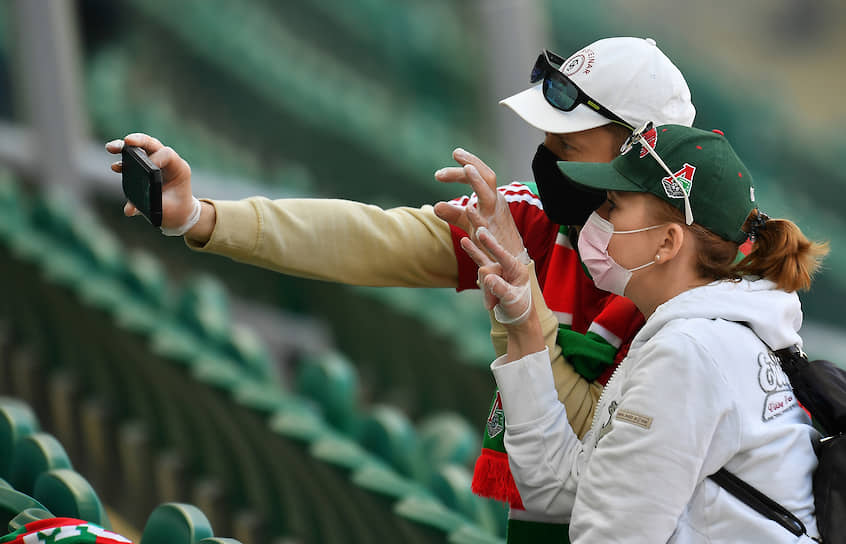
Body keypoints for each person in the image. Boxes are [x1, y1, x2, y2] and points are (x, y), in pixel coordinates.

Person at [105, 37, 695, 538]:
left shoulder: (697, 297)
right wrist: (202, 217)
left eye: (566, 146)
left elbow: (595, 444)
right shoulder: (537, 221)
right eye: (545, 139)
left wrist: (521, 301)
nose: (545, 159)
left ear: (640, 156)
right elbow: (373, 239)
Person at [461, 123, 826, 542]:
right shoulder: (705, 337)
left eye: (613, 205)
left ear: (668, 242)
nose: (595, 216)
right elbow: (564, 492)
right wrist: (525, 323)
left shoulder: (690, 356)